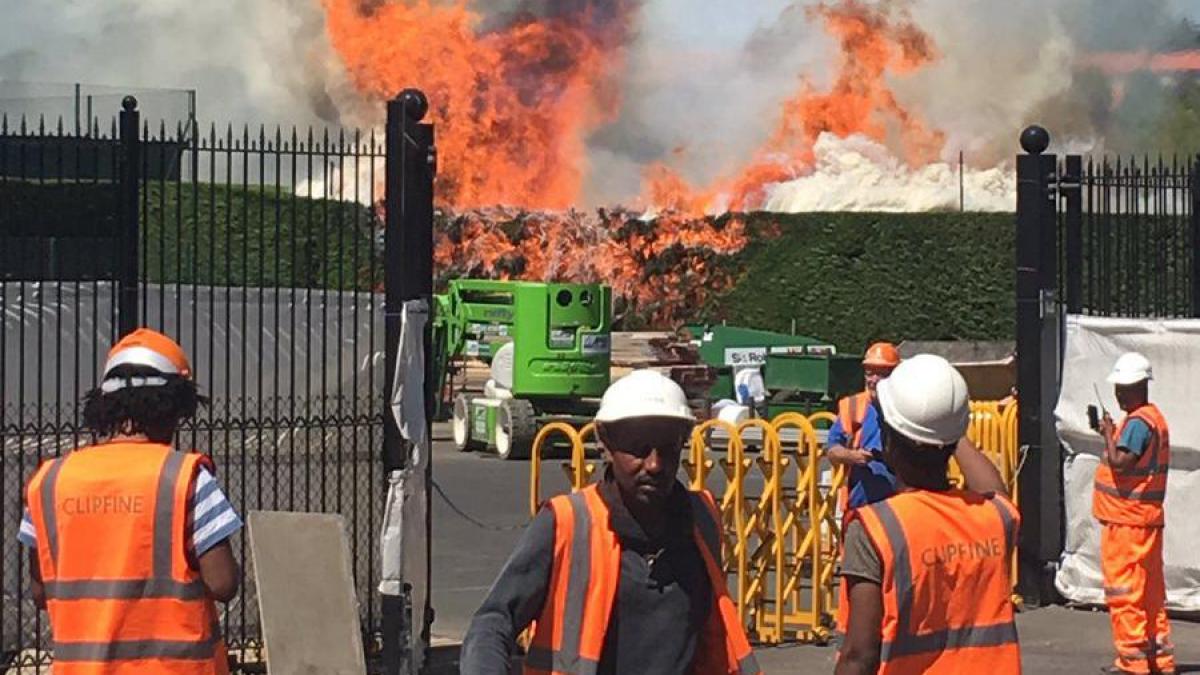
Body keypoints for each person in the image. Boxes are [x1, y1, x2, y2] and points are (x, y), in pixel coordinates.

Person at [460, 369, 759, 675]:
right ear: (605, 443)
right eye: (639, 448)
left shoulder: (701, 519)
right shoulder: (567, 524)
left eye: (668, 448)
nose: (654, 464)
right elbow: (493, 622)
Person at [19, 328, 241, 674]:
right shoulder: (184, 477)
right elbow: (223, 584)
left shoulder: (48, 482)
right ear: (172, 405)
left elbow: (39, 592)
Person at [836, 354, 1021, 675]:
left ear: (889, 441)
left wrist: (941, 427)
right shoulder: (992, 518)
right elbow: (997, 492)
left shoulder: (876, 529)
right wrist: (947, 429)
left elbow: (859, 655)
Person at [1094, 352, 1174, 675]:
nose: (1118, 395)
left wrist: (1107, 434)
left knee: (1125, 594)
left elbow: (1121, 463)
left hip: (1127, 522)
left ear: (1139, 387)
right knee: (1150, 594)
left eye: (1123, 389)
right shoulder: (1152, 419)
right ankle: (1159, 659)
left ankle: (1133, 663)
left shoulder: (1139, 423)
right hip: (1145, 521)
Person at [826, 341, 901, 632]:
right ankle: (853, 632)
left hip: (899, 507)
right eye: (869, 372)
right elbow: (832, 449)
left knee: (895, 573)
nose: (873, 379)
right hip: (861, 508)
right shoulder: (853, 407)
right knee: (860, 576)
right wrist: (852, 456)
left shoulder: (905, 408)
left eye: (881, 373)